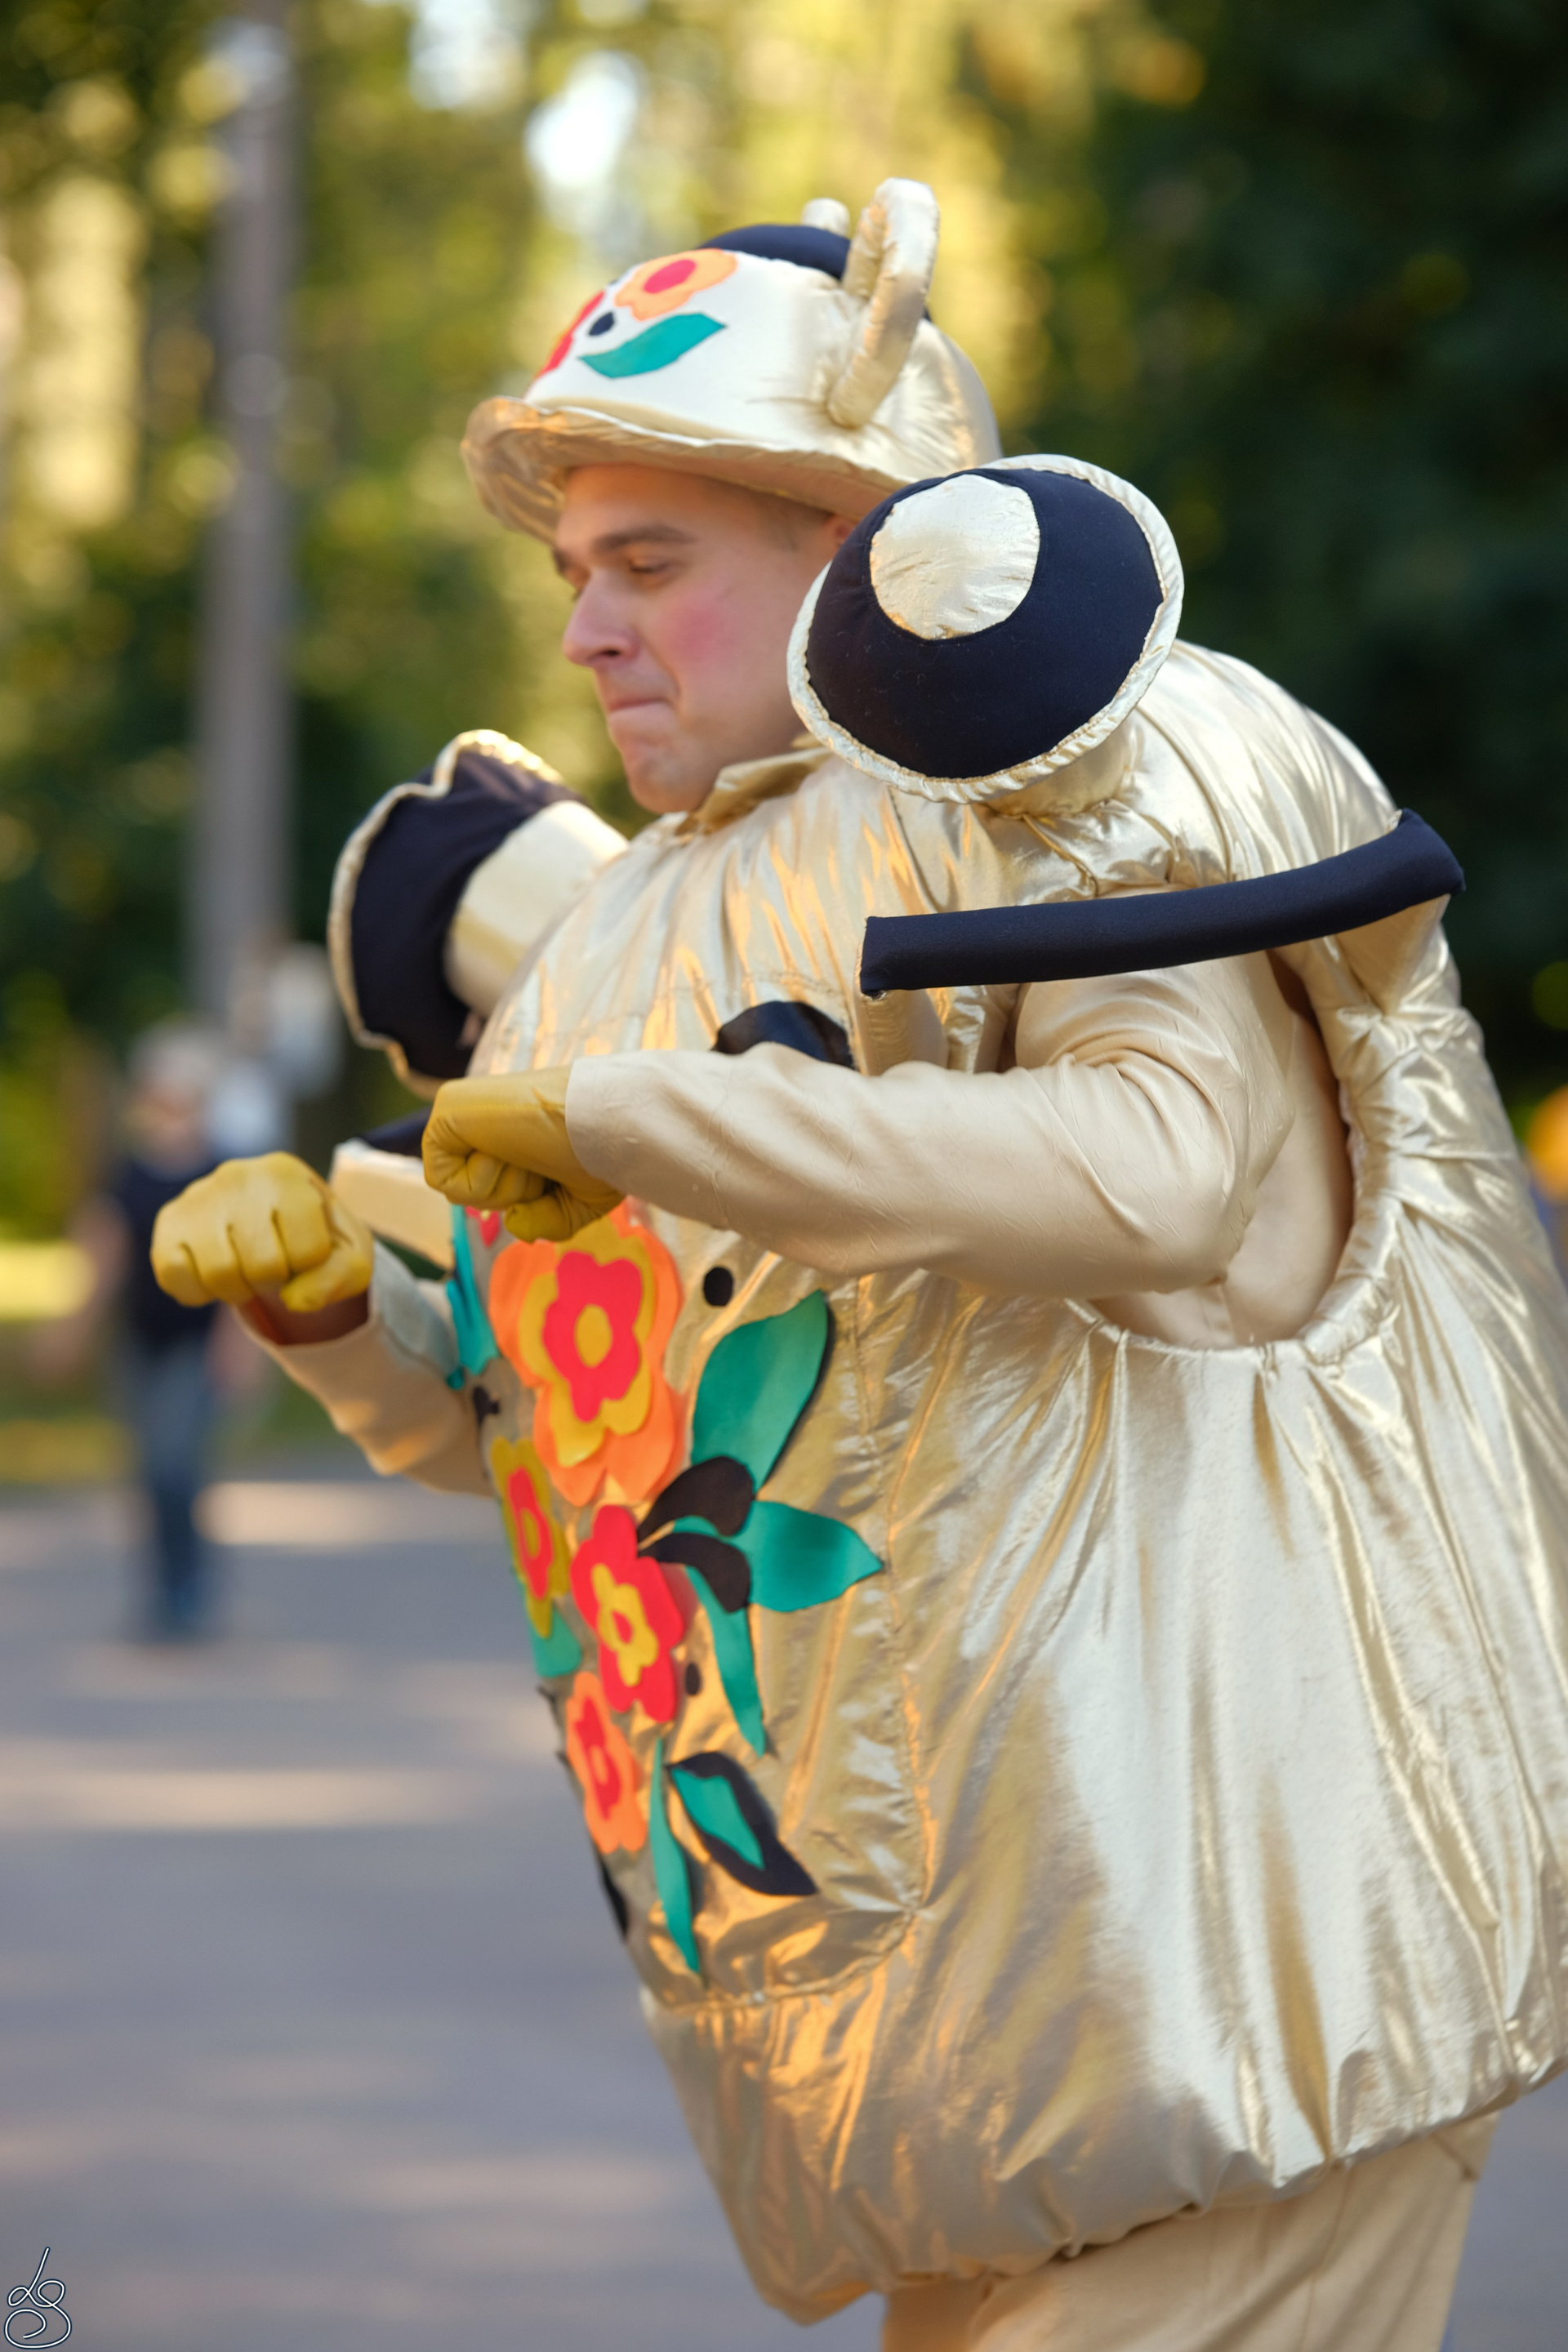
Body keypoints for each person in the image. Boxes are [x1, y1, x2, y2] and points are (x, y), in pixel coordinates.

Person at [149, 185, 1568, 2348]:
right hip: (990, 2060)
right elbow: (593, 1427)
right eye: (571, 572)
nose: (585, 634)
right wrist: (340, 1311)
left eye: (650, 565)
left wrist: (644, 1122)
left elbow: (1165, 1171)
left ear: (867, 544)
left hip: (1242, 2008)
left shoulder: (1078, 758)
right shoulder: (633, 928)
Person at [33, 1021, 239, 1638]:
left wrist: (238, 1349)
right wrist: (70, 1333)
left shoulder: (223, 1176)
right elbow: (104, 1259)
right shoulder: (127, 1175)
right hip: (139, 1344)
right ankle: (163, 1594)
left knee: (177, 1466)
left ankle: (190, 1588)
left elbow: (244, 1275)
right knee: (149, 1473)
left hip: (195, 1344)